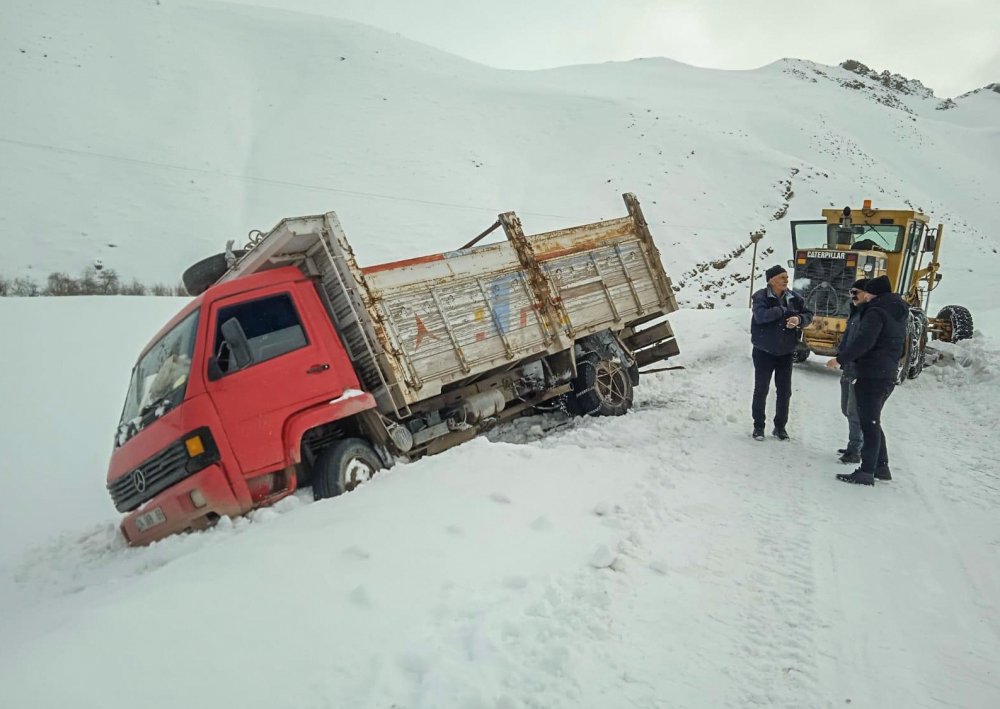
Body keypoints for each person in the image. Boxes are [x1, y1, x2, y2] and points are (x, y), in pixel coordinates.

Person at [825, 275, 908, 485]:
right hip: (886, 373)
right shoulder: (898, 311)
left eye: (868, 293)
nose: (866, 297)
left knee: (868, 423)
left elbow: (864, 341)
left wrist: (840, 359)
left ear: (874, 293)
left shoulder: (875, 311)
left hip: (871, 374)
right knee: (873, 421)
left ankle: (866, 471)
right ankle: (881, 467)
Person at [750, 265, 814, 441]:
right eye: (782, 277)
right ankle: (759, 426)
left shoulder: (794, 298)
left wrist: (799, 319)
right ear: (771, 280)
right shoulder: (760, 297)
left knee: (785, 391)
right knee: (761, 389)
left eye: (787, 277)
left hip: (786, 351)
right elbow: (761, 316)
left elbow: (809, 314)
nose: (786, 280)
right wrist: (783, 310)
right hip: (764, 351)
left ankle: (780, 427)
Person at [834, 279, 868, 464]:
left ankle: (855, 449)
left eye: (856, 292)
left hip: (857, 369)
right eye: (851, 292)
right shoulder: (855, 313)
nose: (852, 296)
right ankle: (855, 445)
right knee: (846, 409)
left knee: (854, 411)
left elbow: (860, 344)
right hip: (848, 368)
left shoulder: (868, 316)